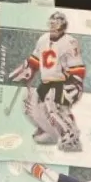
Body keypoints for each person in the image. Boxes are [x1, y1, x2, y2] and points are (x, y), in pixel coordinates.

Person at [9, 11, 85, 151]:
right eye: (51, 24)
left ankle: (72, 137)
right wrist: (28, 70)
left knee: (53, 105)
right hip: (46, 82)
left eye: (57, 24)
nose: (53, 27)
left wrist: (74, 85)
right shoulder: (43, 39)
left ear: (63, 26)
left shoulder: (70, 42)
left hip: (64, 82)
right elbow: (35, 60)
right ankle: (50, 132)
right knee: (28, 101)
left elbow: (78, 69)